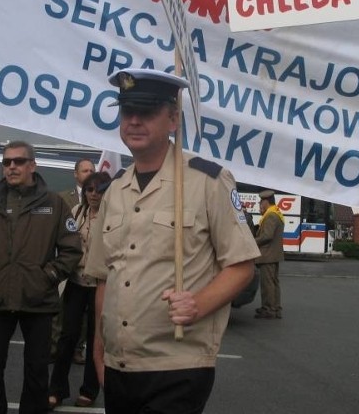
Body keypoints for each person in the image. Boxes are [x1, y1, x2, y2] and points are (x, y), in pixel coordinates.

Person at [85, 68, 260, 414]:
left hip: (177, 363)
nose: (134, 120)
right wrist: (99, 347)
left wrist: (198, 303)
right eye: (127, 111)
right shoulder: (115, 189)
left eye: (147, 111)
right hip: (121, 365)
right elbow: (106, 277)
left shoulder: (208, 180)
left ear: (173, 119)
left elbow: (241, 266)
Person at [0, 140, 83, 414]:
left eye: (18, 161)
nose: (12, 167)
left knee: (36, 372)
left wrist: (46, 278)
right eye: (7, 162)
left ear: (32, 165)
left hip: (38, 302)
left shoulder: (54, 204)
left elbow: (71, 250)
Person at [49, 170, 111, 409]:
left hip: (100, 285)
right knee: (67, 337)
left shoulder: (112, 217)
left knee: (96, 338)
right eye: (90, 189)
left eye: (99, 189)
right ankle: (56, 389)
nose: (94, 194)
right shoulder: (76, 213)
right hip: (75, 282)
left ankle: (89, 390)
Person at [254, 189, 284, 319]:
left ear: (267, 201)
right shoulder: (275, 213)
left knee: (267, 284)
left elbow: (267, 235)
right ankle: (275, 308)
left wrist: (252, 242)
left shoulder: (271, 216)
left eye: (262, 201)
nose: (260, 203)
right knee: (273, 283)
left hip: (267, 255)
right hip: (273, 255)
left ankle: (269, 309)